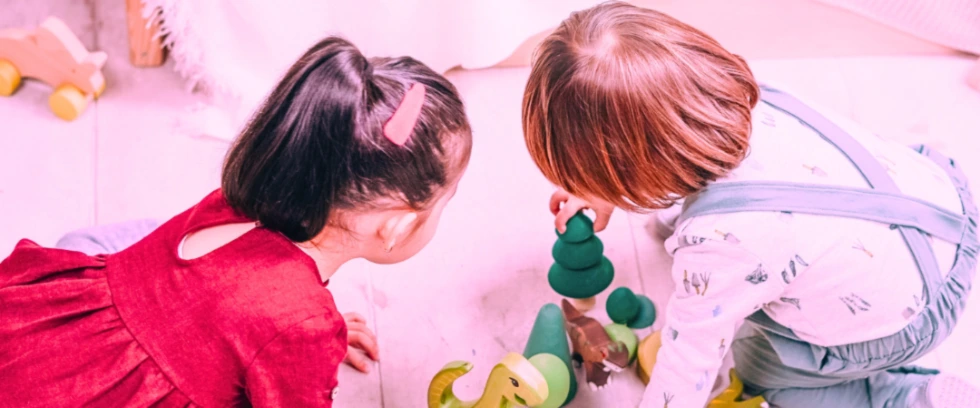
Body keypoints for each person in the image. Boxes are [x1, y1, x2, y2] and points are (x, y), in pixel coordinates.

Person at [522, 2, 978, 407]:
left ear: (630, 169)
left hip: (909, 320)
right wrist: (608, 184)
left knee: (764, 373)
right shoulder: (744, 95)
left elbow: (688, 364)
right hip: (941, 215)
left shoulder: (721, 246)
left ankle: (900, 398)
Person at [0, 36, 472, 407]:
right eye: (445, 203)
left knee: (99, 244)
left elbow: (227, 306)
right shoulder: (302, 327)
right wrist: (303, 344)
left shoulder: (233, 202)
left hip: (47, 344)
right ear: (396, 226)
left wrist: (290, 339)